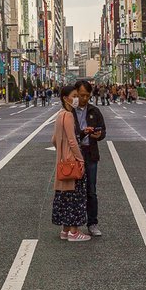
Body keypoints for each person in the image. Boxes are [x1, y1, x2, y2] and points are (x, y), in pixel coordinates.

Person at [52, 85, 90, 242]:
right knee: (75, 195)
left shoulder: (59, 115)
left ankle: (65, 230)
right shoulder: (68, 116)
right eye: (74, 95)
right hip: (72, 162)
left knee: (64, 195)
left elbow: (54, 140)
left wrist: (61, 151)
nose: (76, 99)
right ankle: (74, 232)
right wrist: (80, 159)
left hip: (62, 161)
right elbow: (73, 141)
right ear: (65, 98)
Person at [73, 80, 107, 237]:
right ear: (76, 94)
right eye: (81, 95)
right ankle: (73, 225)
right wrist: (83, 132)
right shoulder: (70, 112)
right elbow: (69, 134)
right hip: (74, 155)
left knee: (91, 190)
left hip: (91, 153)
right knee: (73, 190)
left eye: (87, 95)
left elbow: (103, 131)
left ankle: (92, 223)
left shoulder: (94, 110)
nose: (84, 99)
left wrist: (98, 135)